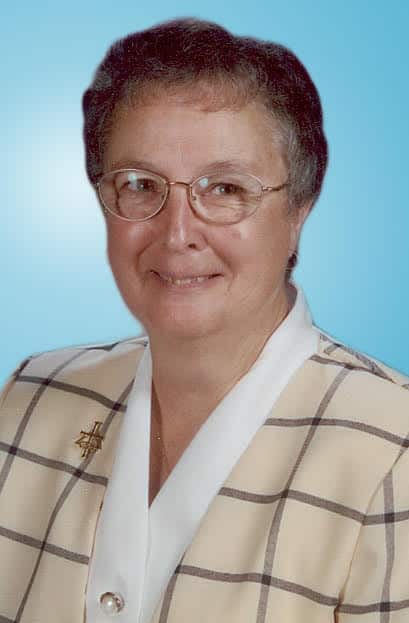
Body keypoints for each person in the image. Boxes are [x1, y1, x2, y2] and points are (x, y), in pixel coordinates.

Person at [0, 17, 408, 623]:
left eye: (225, 189)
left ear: (299, 208)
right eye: (140, 184)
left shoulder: (391, 448)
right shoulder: (31, 399)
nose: (178, 234)